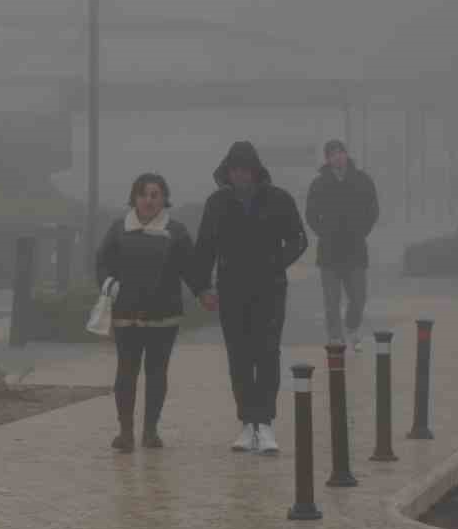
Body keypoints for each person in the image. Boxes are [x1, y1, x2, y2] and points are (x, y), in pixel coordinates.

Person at [192, 142, 309, 455]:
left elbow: (299, 238)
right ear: (227, 172)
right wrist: (202, 287)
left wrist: (276, 261)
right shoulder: (217, 203)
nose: (240, 175)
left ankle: (266, 423)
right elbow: (204, 247)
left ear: (256, 171)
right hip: (231, 288)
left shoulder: (279, 199)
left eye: (245, 169)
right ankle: (246, 423)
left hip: (270, 288)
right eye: (235, 170)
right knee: (239, 355)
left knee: (267, 352)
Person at [94, 173, 206, 452]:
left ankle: (150, 431)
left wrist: (204, 292)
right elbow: (102, 263)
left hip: (164, 315)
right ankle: (125, 433)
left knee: (157, 373)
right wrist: (111, 285)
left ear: (164, 198)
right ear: (134, 197)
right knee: (126, 371)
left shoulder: (176, 231)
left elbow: (190, 268)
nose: (149, 200)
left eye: (155, 194)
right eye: (143, 194)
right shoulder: (119, 229)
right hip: (126, 313)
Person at [304, 139, 381, 353]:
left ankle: (352, 327)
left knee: (359, 296)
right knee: (331, 299)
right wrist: (324, 232)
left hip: (355, 249)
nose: (338, 157)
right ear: (328, 159)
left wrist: (361, 230)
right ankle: (335, 336)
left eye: (340, 152)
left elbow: (373, 208)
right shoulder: (319, 184)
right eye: (332, 154)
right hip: (329, 251)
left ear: (346, 155)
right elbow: (310, 214)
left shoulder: (362, 180)